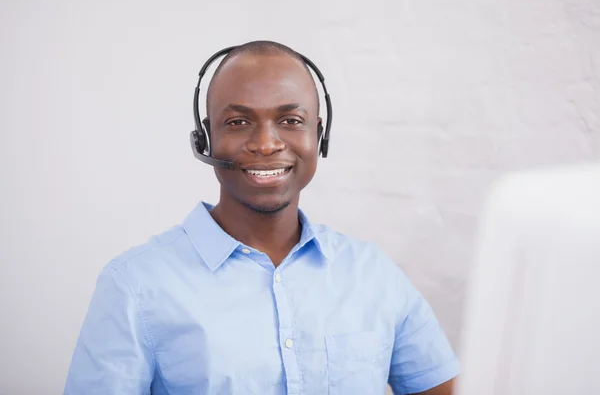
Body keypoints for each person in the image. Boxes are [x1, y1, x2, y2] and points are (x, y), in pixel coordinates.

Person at [63, 40, 460, 395]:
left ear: (318, 135)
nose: (267, 144)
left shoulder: (374, 275)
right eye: (238, 122)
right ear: (205, 139)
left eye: (290, 121)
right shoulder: (134, 285)